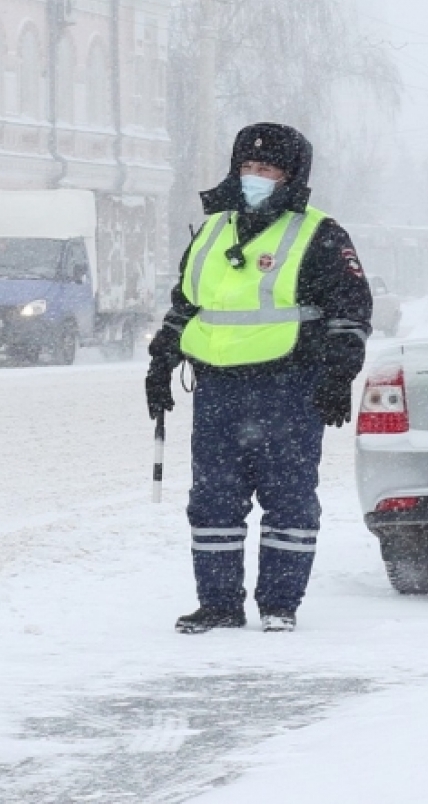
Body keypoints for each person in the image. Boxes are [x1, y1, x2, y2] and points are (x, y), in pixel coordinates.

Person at [145, 123, 372, 634]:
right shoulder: (212, 230)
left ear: (291, 177)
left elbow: (350, 313)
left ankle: (279, 605)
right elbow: (187, 304)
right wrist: (162, 360)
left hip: (289, 385)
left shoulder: (321, 234)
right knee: (212, 500)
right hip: (218, 387)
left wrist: (338, 374)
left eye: (267, 169)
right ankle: (220, 604)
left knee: (288, 497)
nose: (255, 177)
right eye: (247, 167)